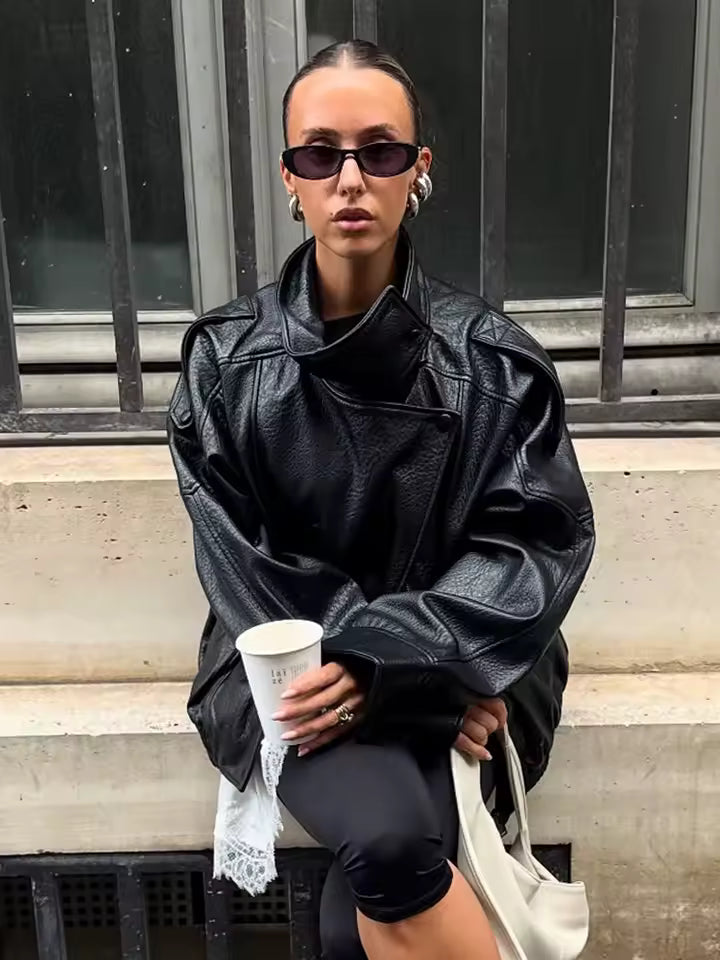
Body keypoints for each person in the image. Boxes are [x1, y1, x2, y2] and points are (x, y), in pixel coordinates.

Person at [168, 39, 595, 960]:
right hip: (291, 674)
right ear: (290, 175)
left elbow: (531, 550)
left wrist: (417, 668)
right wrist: (391, 673)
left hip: (475, 660)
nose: (351, 179)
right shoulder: (223, 364)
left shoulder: (496, 361)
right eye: (321, 154)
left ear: (419, 170)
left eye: (381, 151)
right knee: (394, 846)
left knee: (365, 899)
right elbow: (248, 568)